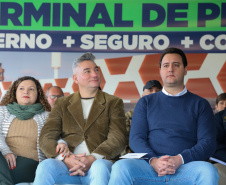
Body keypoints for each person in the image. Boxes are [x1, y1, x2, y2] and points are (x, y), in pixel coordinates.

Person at [109, 47, 219, 185]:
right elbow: (136, 138)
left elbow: (207, 143)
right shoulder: (146, 102)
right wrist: (154, 160)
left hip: (186, 166)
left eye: (176, 65)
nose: (170, 69)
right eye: (166, 65)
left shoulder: (200, 104)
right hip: (149, 166)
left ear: (185, 70)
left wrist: (179, 159)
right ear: (160, 70)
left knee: (208, 171)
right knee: (121, 167)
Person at [33, 52, 126, 185]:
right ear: (75, 78)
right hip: (67, 165)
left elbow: (118, 138)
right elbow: (46, 137)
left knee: (100, 167)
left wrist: (93, 158)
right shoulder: (62, 103)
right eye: (87, 71)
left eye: (96, 70)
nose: (94, 74)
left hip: (98, 163)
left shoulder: (113, 102)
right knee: (46, 166)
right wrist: (65, 158)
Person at [0, 76, 51, 185]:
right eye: (21, 88)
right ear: (14, 93)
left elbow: (54, 139)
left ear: (38, 94)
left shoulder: (46, 116)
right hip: (3, 160)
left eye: (31, 89)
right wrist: (6, 152)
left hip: (28, 165)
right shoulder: (2, 111)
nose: (26, 92)